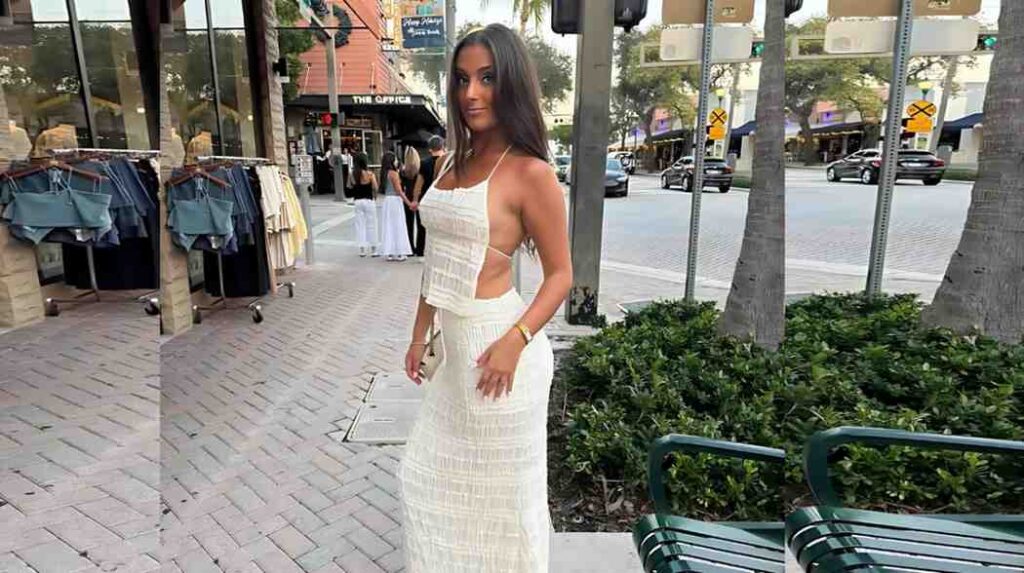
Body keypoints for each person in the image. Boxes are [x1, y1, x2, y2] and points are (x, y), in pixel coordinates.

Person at [398, 23, 572, 572]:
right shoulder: (452, 161)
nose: (471, 93)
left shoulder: (530, 173)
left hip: (502, 355)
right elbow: (436, 259)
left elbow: (561, 275)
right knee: (422, 482)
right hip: (454, 352)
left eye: (487, 78)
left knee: (502, 510)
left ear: (511, 83)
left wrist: (515, 342)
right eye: (461, 79)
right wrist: (419, 333)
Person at [410, 135, 445, 256]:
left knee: (423, 226)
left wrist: (415, 200)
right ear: (442, 146)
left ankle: (421, 250)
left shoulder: (424, 163)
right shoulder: (448, 162)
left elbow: (418, 184)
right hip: (443, 198)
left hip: (427, 198)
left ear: (430, 149)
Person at [378, 151, 414, 262]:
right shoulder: (394, 173)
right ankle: (399, 252)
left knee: (389, 226)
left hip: (387, 200)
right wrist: (409, 203)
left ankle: (389, 252)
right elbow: (399, 191)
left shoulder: (384, 173)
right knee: (398, 225)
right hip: (395, 201)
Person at [350, 152, 379, 257]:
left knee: (360, 225)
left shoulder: (352, 174)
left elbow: (349, 186)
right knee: (372, 225)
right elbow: (375, 188)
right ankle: (374, 249)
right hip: (368, 200)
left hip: (357, 201)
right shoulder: (370, 174)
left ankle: (362, 249)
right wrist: (375, 197)